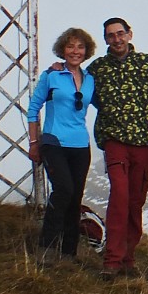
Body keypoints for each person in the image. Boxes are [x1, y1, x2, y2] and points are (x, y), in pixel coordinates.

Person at [87, 18, 148, 279]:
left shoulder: (147, 63)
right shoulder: (97, 69)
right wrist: (59, 68)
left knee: (135, 201)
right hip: (114, 141)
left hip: (143, 143)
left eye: (121, 34)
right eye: (111, 36)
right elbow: (80, 89)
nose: (117, 39)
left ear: (130, 34)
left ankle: (128, 259)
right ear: (105, 39)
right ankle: (112, 260)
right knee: (119, 195)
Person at [27, 27, 98, 266]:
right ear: (62, 50)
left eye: (80, 47)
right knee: (64, 190)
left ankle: (69, 253)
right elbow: (33, 109)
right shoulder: (52, 76)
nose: (75, 51)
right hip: (54, 141)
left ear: (86, 51)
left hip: (80, 144)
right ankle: (46, 249)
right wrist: (34, 142)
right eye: (70, 46)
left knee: (75, 198)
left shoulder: (90, 80)